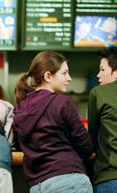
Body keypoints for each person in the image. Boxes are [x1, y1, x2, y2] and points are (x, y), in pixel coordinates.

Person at [13, 51, 94, 193]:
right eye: (64, 73)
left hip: (37, 186)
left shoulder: (20, 109)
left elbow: (20, 145)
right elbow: (85, 145)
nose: (69, 78)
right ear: (48, 76)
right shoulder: (61, 102)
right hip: (69, 180)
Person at [88, 46, 117, 193]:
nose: (98, 75)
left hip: (109, 176)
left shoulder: (98, 92)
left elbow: (92, 136)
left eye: (103, 70)